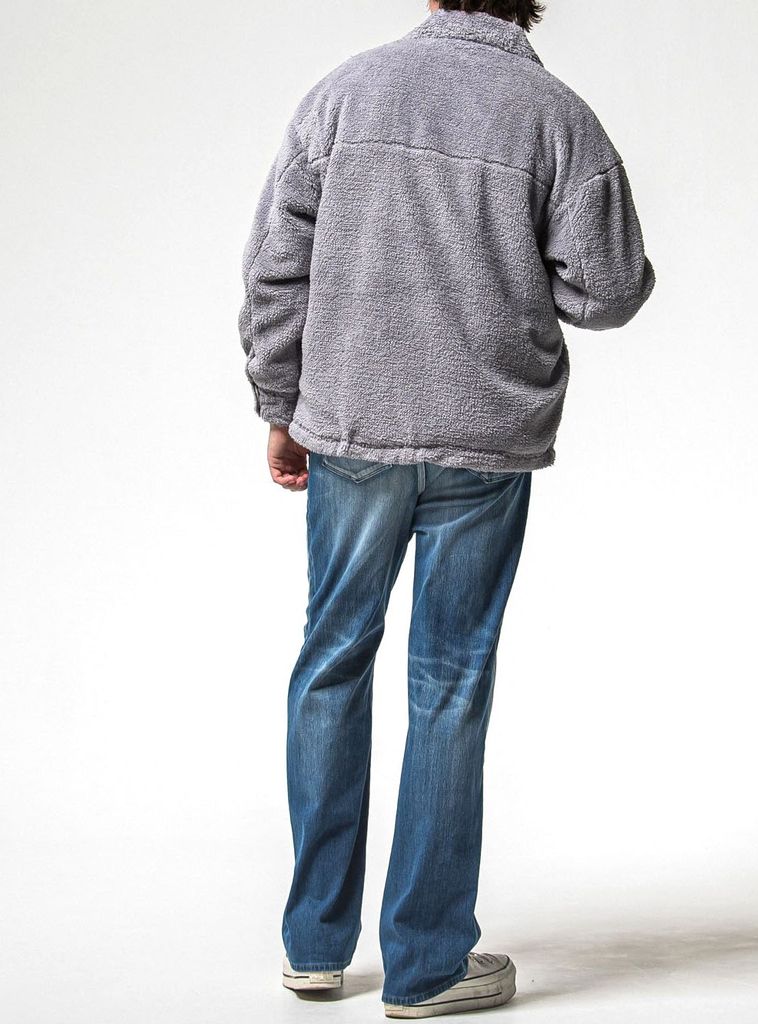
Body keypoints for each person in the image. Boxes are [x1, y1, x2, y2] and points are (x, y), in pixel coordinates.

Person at [237, 0, 655, 1017]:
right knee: (451, 683)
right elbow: (609, 291)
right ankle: (425, 966)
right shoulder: (555, 116)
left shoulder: (345, 94)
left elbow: (275, 269)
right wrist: (517, 261)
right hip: (483, 437)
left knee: (332, 660)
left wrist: (280, 406)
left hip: (353, 426)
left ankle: (314, 945)